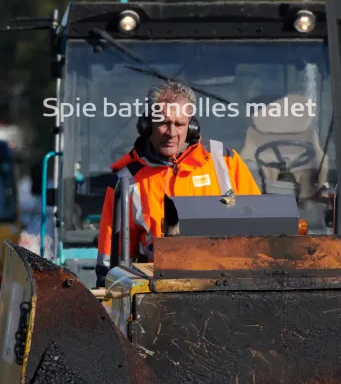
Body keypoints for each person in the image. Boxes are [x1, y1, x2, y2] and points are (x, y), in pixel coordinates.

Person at [95, 80, 261, 286]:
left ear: (191, 126)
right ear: (147, 125)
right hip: (160, 291)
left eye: (180, 124)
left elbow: (259, 226)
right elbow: (110, 268)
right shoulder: (125, 181)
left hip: (229, 284)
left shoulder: (226, 160)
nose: (171, 133)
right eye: (163, 123)